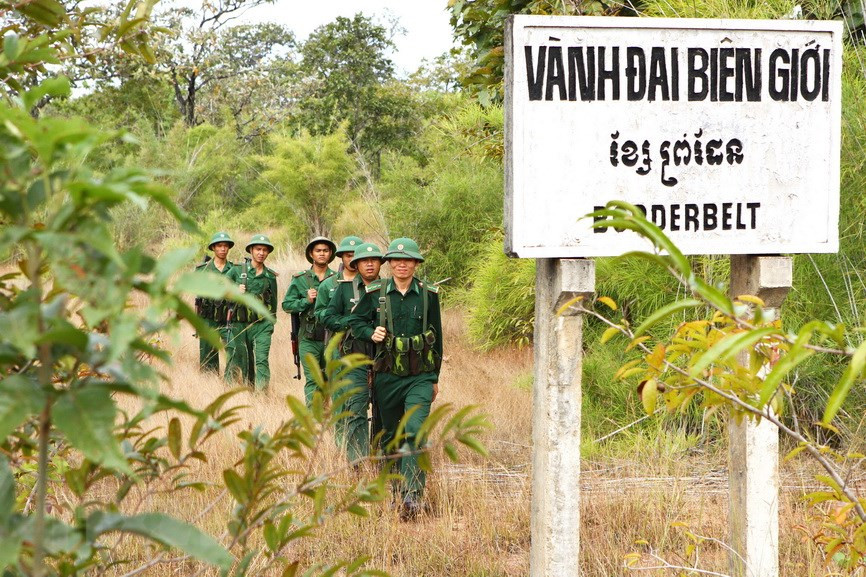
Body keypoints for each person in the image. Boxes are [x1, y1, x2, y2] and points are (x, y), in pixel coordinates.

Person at [348, 238, 442, 520]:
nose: (402, 264)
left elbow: (437, 338)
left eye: (408, 260)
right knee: (390, 436)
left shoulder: (429, 294)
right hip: (386, 376)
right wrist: (369, 333)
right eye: (397, 260)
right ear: (388, 264)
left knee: (414, 432)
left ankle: (413, 496)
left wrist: (434, 378)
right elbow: (355, 321)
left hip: (420, 377)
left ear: (416, 264)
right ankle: (396, 491)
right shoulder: (376, 292)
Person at [320, 242, 383, 464]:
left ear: (380, 264)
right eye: (364, 261)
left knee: (383, 410)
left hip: (384, 359)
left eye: (374, 260)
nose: (369, 264)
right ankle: (357, 461)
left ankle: (381, 457)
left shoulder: (388, 289)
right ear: (356, 264)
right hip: (354, 357)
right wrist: (354, 323)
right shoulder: (345, 289)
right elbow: (327, 317)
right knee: (356, 408)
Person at [282, 236, 337, 404]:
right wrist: (306, 301)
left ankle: (326, 417)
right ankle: (313, 421)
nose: (322, 254)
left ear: (330, 254)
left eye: (325, 251)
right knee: (313, 381)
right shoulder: (300, 279)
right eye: (318, 251)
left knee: (329, 381)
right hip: (308, 338)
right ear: (311, 254)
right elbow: (287, 305)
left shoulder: (337, 278)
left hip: (331, 339)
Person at [225, 234, 278, 391]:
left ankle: (262, 394)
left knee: (261, 359)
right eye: (258, 249)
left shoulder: (270, 276)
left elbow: (274, 303)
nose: (261, 253)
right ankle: (239, 389)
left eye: (264, 250)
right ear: (251, 251)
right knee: (241, 358)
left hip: (261, 325)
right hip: (239, 323)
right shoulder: (236, 271)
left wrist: (270, 324)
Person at [195, 232, 235, 374]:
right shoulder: (202, 269)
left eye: (226, 246)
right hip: (208, 317)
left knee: (233, 349)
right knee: (207, 356)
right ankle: (209, 386)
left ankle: (230, 381)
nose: (223, 249)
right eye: (219, 246)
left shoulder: (235, 269)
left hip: (229, 317)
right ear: (213, 248)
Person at [314, 235, 363, 330]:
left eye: (355, 255)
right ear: (342, 257)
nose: (351, 259)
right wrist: (335, 313)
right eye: (348, 256)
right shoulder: (328, 284)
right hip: (338, 334)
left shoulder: (370, 282)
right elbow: (319, 313)